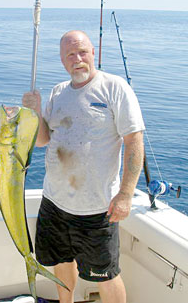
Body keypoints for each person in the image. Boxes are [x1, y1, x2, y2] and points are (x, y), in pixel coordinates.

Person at [22, 31, 145, 303]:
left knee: (107, 275)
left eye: (82, 52)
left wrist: (125, 194)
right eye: (70, 55)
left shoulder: (115, 87)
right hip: (54, 202)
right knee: (61, 263)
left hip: (96, 208)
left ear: (93, 53)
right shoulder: (58, 92)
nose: (77, 59)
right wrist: (35, 112)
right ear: (63, 61)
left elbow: (134, 141)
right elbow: (43, 140)